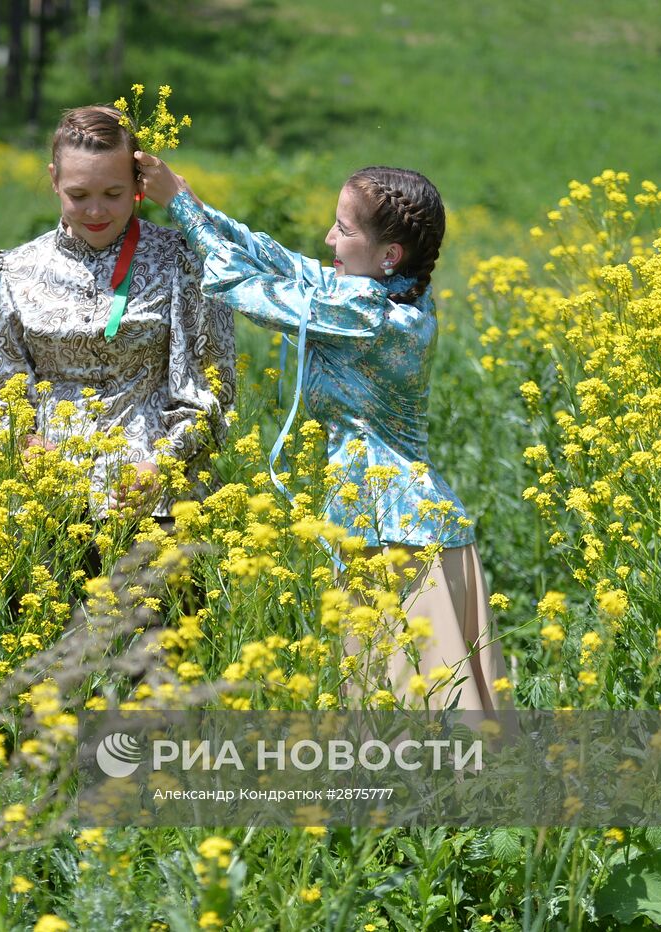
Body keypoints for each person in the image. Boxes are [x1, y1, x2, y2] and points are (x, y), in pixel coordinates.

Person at [137, 153, 508, 713]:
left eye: (345, 229)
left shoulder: (367, 315)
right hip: (396, 528)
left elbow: (241, 285)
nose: (329, 237)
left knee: (415, 724)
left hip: (396, 537)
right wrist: (190, 199)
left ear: (389, 254)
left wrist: (179, 208)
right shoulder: (394, 291)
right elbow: (279, 260)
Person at [0, 106, 236, 523]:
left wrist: (159, 466)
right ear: (54, 180)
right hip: (46, 505)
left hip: (158, 503)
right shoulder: (14, 271)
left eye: (113, 194)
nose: (96, 211)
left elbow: (209, 391)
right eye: (78, 195)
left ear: (138, 184)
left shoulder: (180, 263)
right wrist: (25, 445)